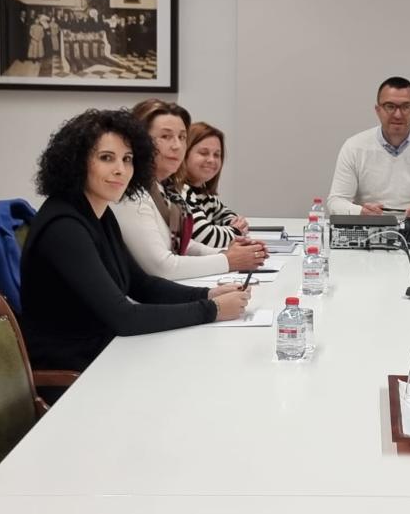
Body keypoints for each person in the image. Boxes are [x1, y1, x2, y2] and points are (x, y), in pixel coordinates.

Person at [20, 109, 252, 373]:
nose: (121, 170)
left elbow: (141, 284)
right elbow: (124, 317)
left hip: (107, 353)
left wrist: (209, 294)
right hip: (75, 373)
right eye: (107, 158)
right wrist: (212, 310)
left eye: (128, 159)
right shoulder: (64, 227)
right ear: (76, 162)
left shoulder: (99, 213)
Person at [112, 99, 267, 280]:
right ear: (139, 141)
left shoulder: (165, 188)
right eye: (165, 136)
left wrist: (228, 252)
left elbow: (184, 245)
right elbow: (162, 267)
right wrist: (228, 260)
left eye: (182, 137)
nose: (177, 146)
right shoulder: (130, 194)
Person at [326, 76, 410, 218]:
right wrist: (360, 212)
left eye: (406, 107)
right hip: (369, 228)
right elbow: (336, 201)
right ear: (378, 110)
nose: (398, 115)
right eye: (390, 106)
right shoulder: (354, 147)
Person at [180, 122, 250, 248]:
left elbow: (229, 216)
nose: (211, 160)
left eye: (217, 155)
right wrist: (236, 231)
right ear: (184, 154)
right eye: (203, 153)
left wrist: (233, 225)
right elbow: (208, 237)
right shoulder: (181, 193)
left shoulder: (205, 194)